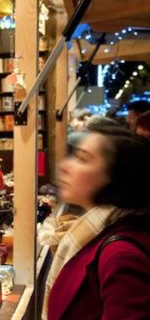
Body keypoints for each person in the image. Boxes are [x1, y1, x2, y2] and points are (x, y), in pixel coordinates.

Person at [45, 121, 150, 319]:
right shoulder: (96, 232)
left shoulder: (121, 255)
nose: (66, 166)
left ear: (114, 177)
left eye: (83, 159)